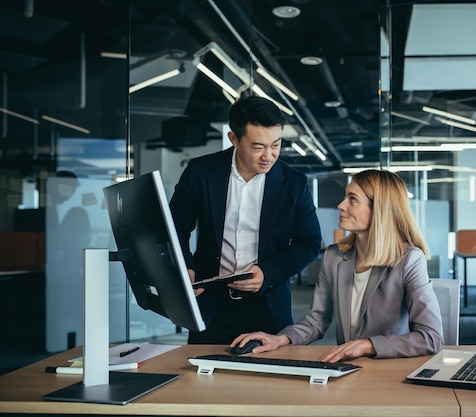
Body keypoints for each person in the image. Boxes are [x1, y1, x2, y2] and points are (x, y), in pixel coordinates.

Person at [231, 169, 444, 362]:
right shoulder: (334, 257)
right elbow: (316, 322)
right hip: (346, 369)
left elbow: (431, 337)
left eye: (353, 200)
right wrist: (279, 339)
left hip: (390, 368)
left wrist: (368, 345)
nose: (340, 205)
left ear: (379, 209)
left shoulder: (408, 260)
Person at [169, 95, 322, 344]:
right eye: (258, 146)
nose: (269, 156)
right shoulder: (201, 172)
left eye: (276, 145)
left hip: (268, 305)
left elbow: (310, 243)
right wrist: (185, 267)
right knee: (202, 379)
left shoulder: (294, 183)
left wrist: (268, 273)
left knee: (268, 380)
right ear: (234, 139)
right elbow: (175, 227)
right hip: (211, 306)